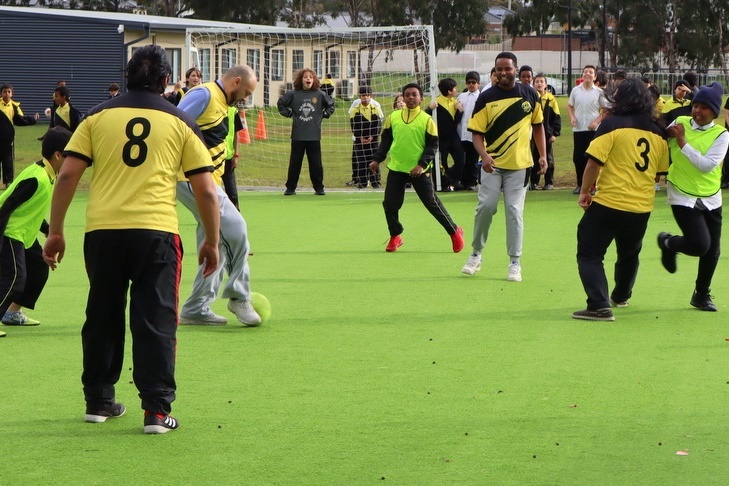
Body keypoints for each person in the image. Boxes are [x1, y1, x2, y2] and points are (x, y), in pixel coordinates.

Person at [42, 45, 221, 434]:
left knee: (102, 312)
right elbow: (206, 191)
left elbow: (69, 175)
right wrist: (211, 239)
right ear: (164, 81)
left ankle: (99, 402)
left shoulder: (96, 116)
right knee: (155, 317)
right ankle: (156, 411)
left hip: (103, 233)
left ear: (126, 78)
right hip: (156, 232)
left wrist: (56, 231)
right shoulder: (180, 121)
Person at [572, 79, 669, 321]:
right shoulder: (658, 130)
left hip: (609, 201)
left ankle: (598, 305)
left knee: (590, 252)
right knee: (629, 252)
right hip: (641, 206)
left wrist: (585, 191)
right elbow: (660, 171)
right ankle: (621, 295)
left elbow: (594, 162)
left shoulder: (611, 124)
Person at [176, 65, 261, 327]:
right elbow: (173, 125)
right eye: (246, 91)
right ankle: (239, 296)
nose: (246, 97)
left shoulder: (224, 103)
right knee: (236, 227)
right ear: (236, 82)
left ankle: (195, 309)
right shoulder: (204, 94)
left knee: (215, 245)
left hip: (208, 180)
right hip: (190, 179)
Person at [461, 51, 547, 282]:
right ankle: (476, 254)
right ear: (495, 71)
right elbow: (476, 134)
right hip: (492, 165)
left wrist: (542, 155)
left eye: (507, 68)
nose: (503, 73)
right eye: (499, 69)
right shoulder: (486, 98)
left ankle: (515, 262)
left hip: (520, 165)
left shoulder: (530, 94)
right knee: (486, 207)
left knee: (513, 211)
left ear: (516, 70)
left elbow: (538, 126)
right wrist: (485, 156)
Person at [657, 82, 728, 312]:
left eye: (704, 107)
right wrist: (666, 133)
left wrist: (683, 143)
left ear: (714, 112)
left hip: (710, 196)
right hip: (681, 193)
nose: (697, 110)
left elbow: (707, 166)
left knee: (713, 250)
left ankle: (701, 294)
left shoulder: (722, 135)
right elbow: (661, 136)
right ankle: (668, 243)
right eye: (695, 105)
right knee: (700, 245)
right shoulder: (680, 122)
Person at [368, 83, 464, 253]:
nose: (411, 98)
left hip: (420, 171)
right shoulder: (393, 117)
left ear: (421, 98)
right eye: (407, 95)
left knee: (431, 203)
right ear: (403, 98)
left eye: (414, 95)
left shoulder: (427, 120)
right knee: (390, 204)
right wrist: (377, 159)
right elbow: (386, 142)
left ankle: (454, 231)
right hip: (397, 168)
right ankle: (396, 235)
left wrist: (421, 165)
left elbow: (432, 146)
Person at [0, 128, 72, 336]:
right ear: (58, 155)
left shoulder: (48, 174)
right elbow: (6, 207)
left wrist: (50, 231)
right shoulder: (37, 177)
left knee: (39, 268)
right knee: (14, 277)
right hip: (10, 232)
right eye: (69, 155)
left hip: (25, 234)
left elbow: (31, 209)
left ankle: (12, 314)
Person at [278, 68, 335, 196]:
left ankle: (319, 187)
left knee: (316, 163)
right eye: (305, 77)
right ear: (300, 79)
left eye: (310, 77)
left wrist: (325, 114)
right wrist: (289, 114)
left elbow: (331, 105)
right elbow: (281, 104)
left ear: (314, 79)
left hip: (314, 135)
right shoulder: (293, 94)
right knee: (295, 162)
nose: (308, 79)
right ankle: (290, 188)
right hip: (298, 135)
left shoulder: (319, 94)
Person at [567, 65, 611, 194]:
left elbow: (606, 110)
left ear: (595, 76)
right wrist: (572, 117)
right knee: (578, 158)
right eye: (585, 72)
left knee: (592, 157)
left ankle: (593, 186)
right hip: (579, 129)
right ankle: (580, 184)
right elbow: (570, 106)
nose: (587, 74)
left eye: (590, 72)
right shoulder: (575, 90)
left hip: (593, 130)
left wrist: (596, 121)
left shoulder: (599, 92)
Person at [426, 77, 464, 191]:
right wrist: (429, 108)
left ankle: (454, 179)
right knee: (441, 161)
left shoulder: (455, 102)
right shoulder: (437, 102)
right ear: (449, 91)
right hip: (441, 137)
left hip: (452, 135)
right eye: (454, 88)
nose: (456, 90)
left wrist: (460, 111)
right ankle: (442, 183)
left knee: (461, 157)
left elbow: (456, 120)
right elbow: (425, 117)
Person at [0, 84, 40, 188]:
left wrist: (33, 119)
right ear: (1, 93)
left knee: (8, 160)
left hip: (7, 138)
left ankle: (8, 182)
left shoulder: (14, 106)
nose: (6, 94)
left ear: (12, 94)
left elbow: (20, 120)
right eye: (4, 91)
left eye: (9, 91)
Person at [530, 73, 561, 190]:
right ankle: (533, 182)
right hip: (532, 134)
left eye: (541, 81)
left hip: (547, 134)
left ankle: (549, 182)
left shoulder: (551, 99)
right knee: (533, 157)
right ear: (533, 84)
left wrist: (554, 134)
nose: (539, 83)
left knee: (548, 157)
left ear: (546, 84)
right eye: (537, 81)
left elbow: (557, 117)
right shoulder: (532, 97)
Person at [349, 86, 383, 189]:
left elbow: (378, 124)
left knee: (374, 159)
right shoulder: (355, 109)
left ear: (370, 96)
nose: (365, 97)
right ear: (360, 96)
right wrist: (360, 137)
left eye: (367, 95)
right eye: (363, 95)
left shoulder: (375, 108)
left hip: (373, 140)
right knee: (361, 160)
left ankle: (375, 181)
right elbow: (353, 125)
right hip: (360, 141)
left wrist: (373, 136)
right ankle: (362, 182)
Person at [456, 71, 482, 190]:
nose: (471, 85)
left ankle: (472, 182)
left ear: (478, 84)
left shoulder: (481, 97)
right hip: (462, 133)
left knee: (474, 159)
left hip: (474, 134)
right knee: (463, 159)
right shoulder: (462, 96)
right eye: (469, 82)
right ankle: (463, 181)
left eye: (474, 82)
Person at [222, 105, 243, 210]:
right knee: (211, 192)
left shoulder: (233, 111)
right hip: (213, 159)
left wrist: (236, 155)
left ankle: (235, 215)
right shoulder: (211, 108)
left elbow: (236, 134)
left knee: (232, 193)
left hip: (228, 158)